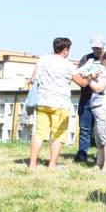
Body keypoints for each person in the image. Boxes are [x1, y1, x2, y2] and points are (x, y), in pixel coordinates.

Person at [26, 37, 79, 171]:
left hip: (42, 101)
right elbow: (82, 83)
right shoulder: (68, 65)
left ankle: (32, 164)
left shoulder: (43, 59)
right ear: (65, 50)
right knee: (58, 135)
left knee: (39, 133)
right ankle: (52, 164)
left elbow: (33, 79)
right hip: (60, 103)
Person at [72, 35, 106, 164]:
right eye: (95, 48)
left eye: (99, 47)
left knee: (100, 130)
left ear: (104, 45)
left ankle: (101, 156)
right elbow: (78, 74)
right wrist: (87, 78)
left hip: (101, 99)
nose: (97, 50)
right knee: (85, 129)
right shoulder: (86, 58)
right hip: (86, 97)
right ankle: (82, 155)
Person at [84, 51, 106, 174]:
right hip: (100, 110)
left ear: (105, 60)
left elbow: (99, 88)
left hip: (105, 110)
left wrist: (89, 80)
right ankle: (98, 164)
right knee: (100, 141)